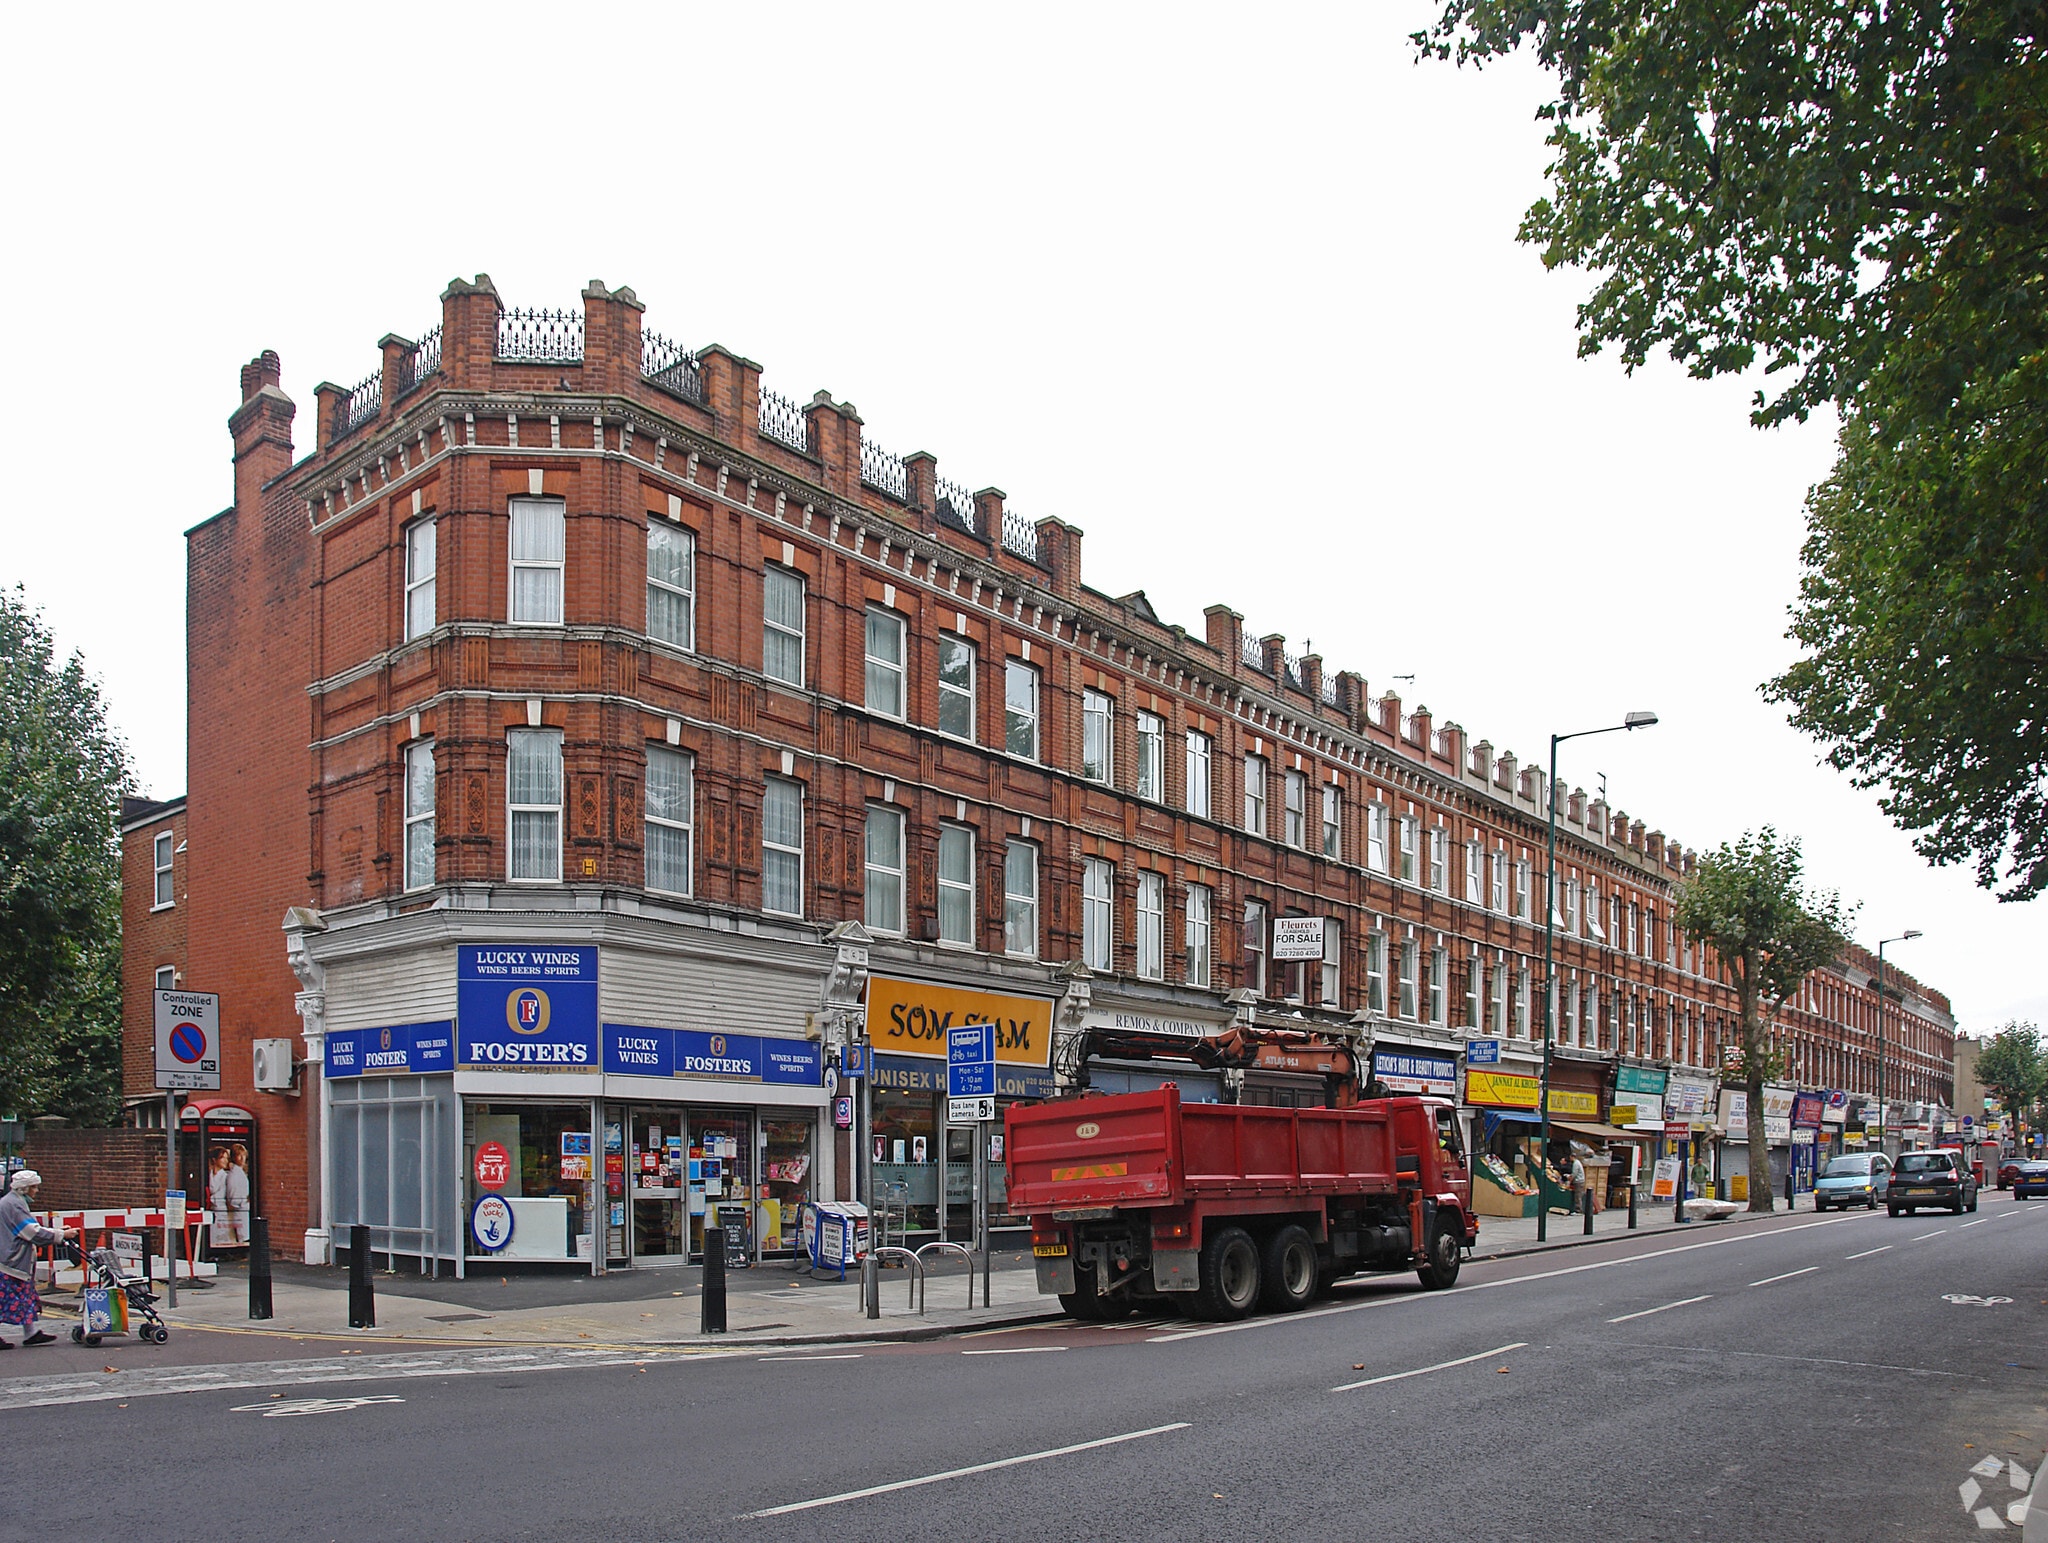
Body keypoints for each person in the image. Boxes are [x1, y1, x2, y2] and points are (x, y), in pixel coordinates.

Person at [1, 1170, 66, 1349]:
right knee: (9, 1299)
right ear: (24, 1188)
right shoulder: (13, 1205)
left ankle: (31, 1333)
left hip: (10, 1260)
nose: (36, 1191)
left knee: (23, 1298)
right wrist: (60, 1235)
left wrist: (56, 1232)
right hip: (9, 1261)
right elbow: (31, 1232)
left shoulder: (13, 1202)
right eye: (34, 1187)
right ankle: (30, 1334)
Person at [207, 1148, 233, 1253]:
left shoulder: (225, 1176)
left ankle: (223, 1252)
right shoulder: (209, 1174)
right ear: (215, 1160)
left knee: (220, 1232)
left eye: (227, 1158)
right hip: (211, 1209)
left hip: (220, 1208)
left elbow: (217, 1191)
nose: (226, 1161)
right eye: (223, 1158)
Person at [226, 1144, 252, 1248]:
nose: (242, 1158)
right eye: (238, 1155)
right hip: (241, 1210)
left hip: (244, 1210)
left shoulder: (240, 1172)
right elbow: (233, 1197)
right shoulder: (234, 1175)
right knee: (243, 1239)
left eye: (243, 1155)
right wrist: (245, 1201)